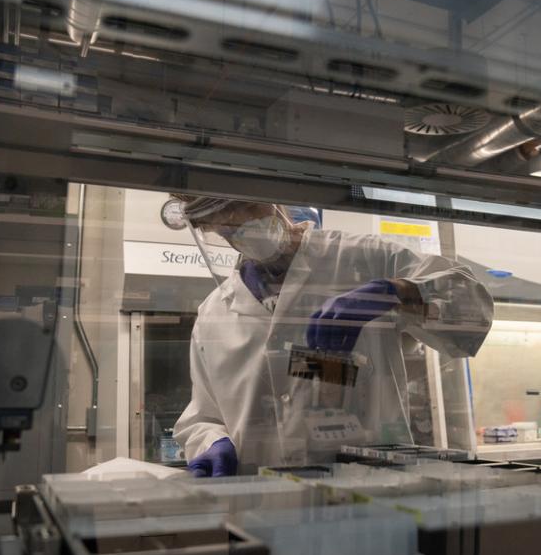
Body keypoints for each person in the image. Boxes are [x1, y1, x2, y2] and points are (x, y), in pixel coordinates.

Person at [170, 196, 494, 476]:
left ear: (276, 197)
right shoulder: (213, 313)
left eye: (245, 207)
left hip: (370, 498)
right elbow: (203, 415)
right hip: (263, 506)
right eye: (224, 224)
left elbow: (474, 314)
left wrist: (399, 291)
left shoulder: (363, 257)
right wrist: (213, 441)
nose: (240, 225)